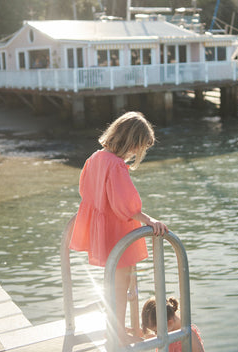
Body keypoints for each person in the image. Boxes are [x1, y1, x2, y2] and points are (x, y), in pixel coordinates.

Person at [69, 111, 168, 344]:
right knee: (121, 284)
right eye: (138, 147)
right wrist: (150, 221)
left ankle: (113, 326)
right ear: (131, 141)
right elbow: (126, 204)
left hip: (101, 228)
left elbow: (84, 191)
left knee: (112, 283)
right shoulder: (116, 165)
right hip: (118, 230)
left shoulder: (94, 158)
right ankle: (117, 333)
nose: (136, 153)